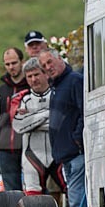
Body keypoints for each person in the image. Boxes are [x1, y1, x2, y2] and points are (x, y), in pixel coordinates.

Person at [39, 48, 93, 207]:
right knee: (75, 200)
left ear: (60, 59)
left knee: (78, 200)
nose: (48, 68)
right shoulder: (56, 86)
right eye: (44, 66)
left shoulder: (74, 80)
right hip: (65, 155)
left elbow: (83, 111)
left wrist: (77, 138)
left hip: (76, 152)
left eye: (50, 62)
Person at [11, 58, 65, 196]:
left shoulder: (57, 94)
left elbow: (63, 123)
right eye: (29, 76)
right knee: (32, 199)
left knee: (74, 193)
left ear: (45, 74)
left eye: (36, 75)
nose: (33, 79)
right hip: (32, 155)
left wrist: (32, 118)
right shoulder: (23, 99)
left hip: (58, 154)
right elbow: (18, 126)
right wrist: (49, 113)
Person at [0, 47, 30, 191]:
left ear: (22, 62)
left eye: (14, 63)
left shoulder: (31, 86)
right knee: (12, 191)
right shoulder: (0, 91)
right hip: (6, 149)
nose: (11, 67)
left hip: (28, 146)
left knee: (33, 187)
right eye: (7, 64)